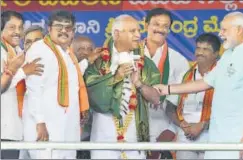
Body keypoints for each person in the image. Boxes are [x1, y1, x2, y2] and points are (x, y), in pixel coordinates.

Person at [154, 11, 243, 159]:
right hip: (221, 139)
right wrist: (168, 89)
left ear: (239, 30)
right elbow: (205, 82)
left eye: (224, 29)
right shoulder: (228, 55)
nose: (220, 33)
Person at [84, 14, 161, 159]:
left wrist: (138, 84)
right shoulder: (98, 61)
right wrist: (116, 77)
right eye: (132, 31)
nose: (138, 35)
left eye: (138, 30)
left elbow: (157, 99)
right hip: (103, 139)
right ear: (116, 34)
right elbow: (91, 96)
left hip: (135, 140)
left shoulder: (146, 64)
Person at [22, 10, 89, 159]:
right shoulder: (40, 50)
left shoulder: (67, 53)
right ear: (49, 28)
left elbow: (71, 80)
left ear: (73, 31)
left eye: (68, 27)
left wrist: (88, 61)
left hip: (66, 127)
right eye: (59, 26)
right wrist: (40, 123)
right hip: (46, 127)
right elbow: (34, 89)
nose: (64, 30)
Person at [142, 8, 189, 159]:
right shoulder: (131, 54)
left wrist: (172, 130)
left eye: (165, 26)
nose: (160, 29)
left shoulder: (179, 61)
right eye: (156, 24)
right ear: (145, 25)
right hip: (130, 126)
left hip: (162, 127)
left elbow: (180, 104)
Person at [166, 33, 220, 159]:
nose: (200, 52)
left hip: (213, 140)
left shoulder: (223, 77)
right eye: (198, 48)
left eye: (205, 49)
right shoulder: (184, 76)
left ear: (216, 54)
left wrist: (202, 125)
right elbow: (169, 108)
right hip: (186, 139)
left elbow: (229, 112)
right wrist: (182, 124)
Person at [1, 10, 43, 159]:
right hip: (4, 131)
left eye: (20, 27)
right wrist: (23, 71)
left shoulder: (18, 51)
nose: (17, 32)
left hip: (19, 130)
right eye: (12, 27)